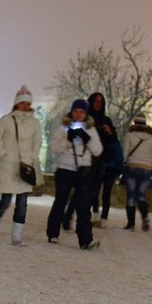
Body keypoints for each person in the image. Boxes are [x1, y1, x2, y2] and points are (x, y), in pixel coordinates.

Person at [0, 85, 43, 245]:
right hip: (9, 167)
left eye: (27, 103)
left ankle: (17, 236)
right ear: (17, 103)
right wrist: (4, 154)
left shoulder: (35, 123)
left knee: (22, 204)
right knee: (5, 201)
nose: (25, 106)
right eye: (22, 103)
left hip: (26, 167)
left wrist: (32, 156)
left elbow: (38, 141)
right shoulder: (6, 120)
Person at [46, 99, 102, 250]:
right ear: (71, 112)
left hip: (83, 171)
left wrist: (87, 138)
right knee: (60, 202)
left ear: (86, 113)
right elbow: (55, 148)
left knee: (83, 206)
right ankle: (53, 233)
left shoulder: (91, 129)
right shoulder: (63, 128)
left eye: (82, 112)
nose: (78, 115)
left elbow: (98, 150)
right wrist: (67, 140)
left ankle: (85, 239)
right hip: (65, 169)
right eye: (76, 111)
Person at [63, 92, 119, 229]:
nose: (98, 104)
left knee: (90, 191)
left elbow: (113, 141)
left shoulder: (106, 121)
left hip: (99, 161)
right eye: (96, 101)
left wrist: (109, 132)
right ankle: (71, 215)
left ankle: (83, 219)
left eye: (101, 101)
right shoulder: (86, 119)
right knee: (80, 190)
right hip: (84, 160)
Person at [122, 113, 152, 231]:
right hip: (146, 170)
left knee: (131, 196)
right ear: (145, 124)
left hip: (132, 168)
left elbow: (124, 154)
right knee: (141, 195)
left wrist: (121, 168)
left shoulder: (129, 135)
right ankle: (145, 218)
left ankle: (131, 224)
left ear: (134, 123)